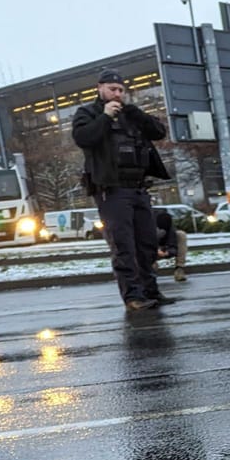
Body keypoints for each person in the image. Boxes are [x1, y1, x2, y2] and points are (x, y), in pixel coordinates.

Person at [71, 69, 175, 311]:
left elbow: (158, 132)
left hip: (138, 187)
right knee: (123, 244)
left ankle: (151, 291)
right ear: (100, 88)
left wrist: (134, 112)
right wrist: (105, 117)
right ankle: (133, 296)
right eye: (112, 89)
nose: (117, 94)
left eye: (120, 90)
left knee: (147, 242)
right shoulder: (88, 113)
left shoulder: (131, 114)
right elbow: (83, 138)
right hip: (112, 189)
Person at [154, 210, 188, 282]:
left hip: (163, 250)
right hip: (147, 254)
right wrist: (155, 250)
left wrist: (168, 252)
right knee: (152, 267)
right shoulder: (146, 229)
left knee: (181, 234)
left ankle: (179, 270)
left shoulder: (169, 229)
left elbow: (173, 245)